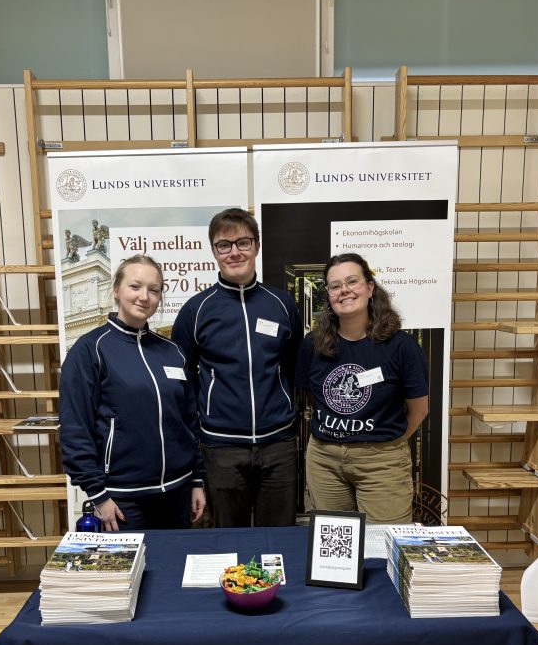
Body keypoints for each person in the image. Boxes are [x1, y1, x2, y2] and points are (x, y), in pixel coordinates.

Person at [171, 208, 302, 527]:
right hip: (221, 448)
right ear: (214, 251)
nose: (234, 252)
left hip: (278, 444)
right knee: (229, 539)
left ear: (256, 246)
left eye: (243, 242)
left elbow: (293, 365)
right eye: (224, 245)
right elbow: (184, 381)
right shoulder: (196, 310)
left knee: (280, 540)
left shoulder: (282, 303)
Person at [59, 255, 205, 531]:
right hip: (123, 499)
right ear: (116, 290)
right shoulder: (90, 350)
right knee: (131, 575)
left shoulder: (172, 352)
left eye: (154, 289)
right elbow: (75, 428)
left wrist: (197, 480)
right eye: (135, 286)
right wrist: (98, 495)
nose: (144, 297)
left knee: (173, 570)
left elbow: (189, 422)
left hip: (178, 493)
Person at [295, 253, 429, 524]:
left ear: (369, 288)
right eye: (335, 285)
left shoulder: (401, 347)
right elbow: (313, 397)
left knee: (382, 544)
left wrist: (388, 443)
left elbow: (419, 409)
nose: (343, 290)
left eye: (352, 281)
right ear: (329, 296)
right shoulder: (313, 345)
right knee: (335, 551)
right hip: (324, 460)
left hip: (382, 461)